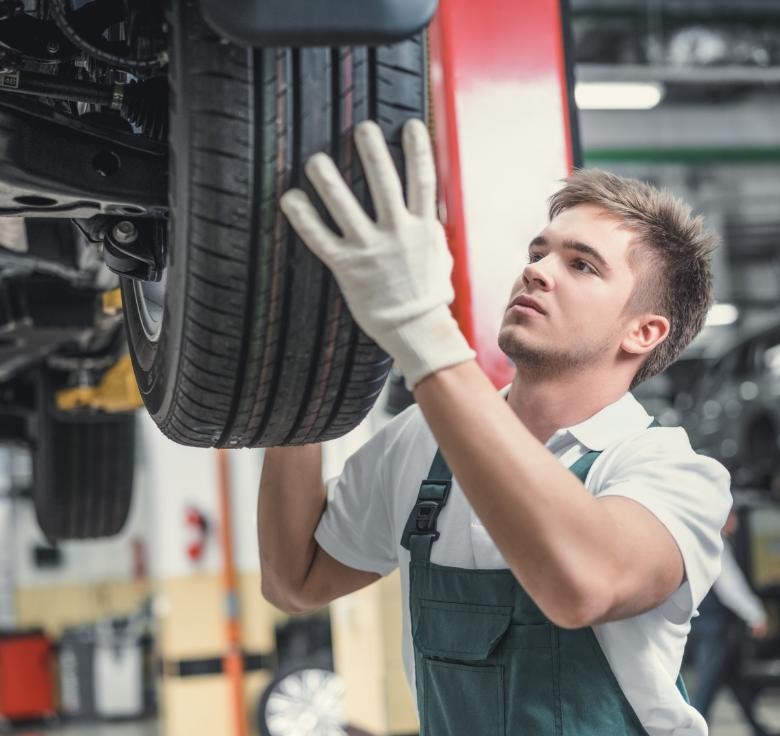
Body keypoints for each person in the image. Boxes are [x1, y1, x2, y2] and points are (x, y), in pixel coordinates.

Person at [258, 119, 732, 735]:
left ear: (643, 332)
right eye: (539, 253)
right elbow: (295, 579)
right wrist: (302, 360)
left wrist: (420, 324)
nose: (537, 271)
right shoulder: (422, 441)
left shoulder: (670, 474)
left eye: (582, 266)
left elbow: (582, 585)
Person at [690, 511, 773, 735]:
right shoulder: (716, 543)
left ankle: (756, 726)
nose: (735, 523)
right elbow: (730, 586)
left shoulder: (699, 539)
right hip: (714, 625)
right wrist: (755, 615)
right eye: (731, 516)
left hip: (706, 622)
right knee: (706, 684)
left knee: (735, 679)